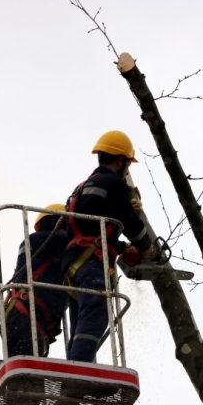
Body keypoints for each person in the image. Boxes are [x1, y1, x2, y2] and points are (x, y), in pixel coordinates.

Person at [63, 130, 156, 362]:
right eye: (128, 164)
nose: (127, 170)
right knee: (95, 311)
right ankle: (80, 372)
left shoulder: (81, 187)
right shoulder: (113, 183)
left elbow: (90, 228)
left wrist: (122, 248)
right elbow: (131, 223)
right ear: (121, 160)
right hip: (91, 263)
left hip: (72, 265)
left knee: (80, 326)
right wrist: (147, 248)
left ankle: (74, 369)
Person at [5, 204, 69, 357]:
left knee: (31, 372)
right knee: (27, 370)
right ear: (56, 222)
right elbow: (72, 239)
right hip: (25, 316)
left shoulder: (55, 251)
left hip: (33, 320)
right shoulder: (36, 240)